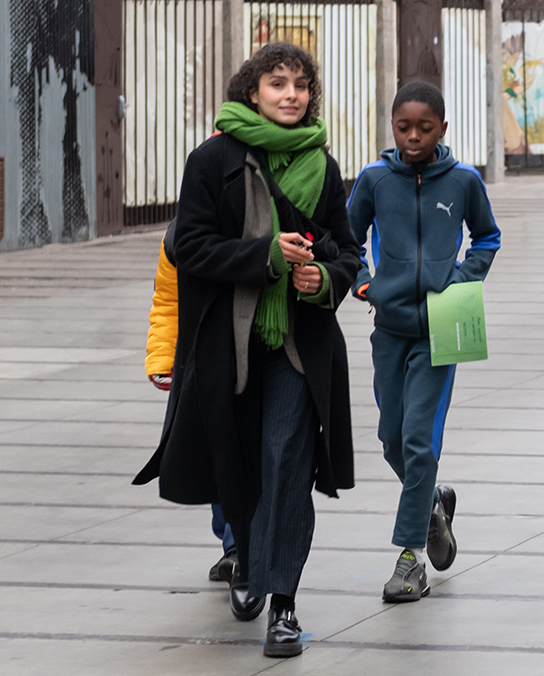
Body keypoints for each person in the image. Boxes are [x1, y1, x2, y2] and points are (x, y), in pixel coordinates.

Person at [134, 43, 362, 659]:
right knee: (235, 462)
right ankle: (245, 559)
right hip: (226, 344)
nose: (291, 94)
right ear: (252, 91)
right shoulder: (213, 159)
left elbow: (346, 251)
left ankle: (283, 601)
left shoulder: (324, 164)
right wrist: (264, 258)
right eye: (277, 83)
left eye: (300, 85)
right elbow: (192, 248)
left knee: (287, 459)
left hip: (296, 346)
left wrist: (325, 283)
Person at [346, 81, 501, 602]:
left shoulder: (462, 181)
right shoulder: (373, 180)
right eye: (403, 127)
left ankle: (410, 558)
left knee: (419, 441)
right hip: (388, 328)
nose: (413, 137)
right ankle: (431, 500)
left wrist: (460, 279)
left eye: (425, 128)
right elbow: (347, 240)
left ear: (443, 129)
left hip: (442, 329)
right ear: (392, 127)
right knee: (392, 439)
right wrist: (363, 281)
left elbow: (487, 236)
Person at [142, 219, 237, 585]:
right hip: (202, 360)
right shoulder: (177, 236)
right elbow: (168, 302)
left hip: (251, 355)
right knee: (215, 455)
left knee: (237, 454)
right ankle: (231, 541)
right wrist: (162, 359)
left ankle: (237, 547)